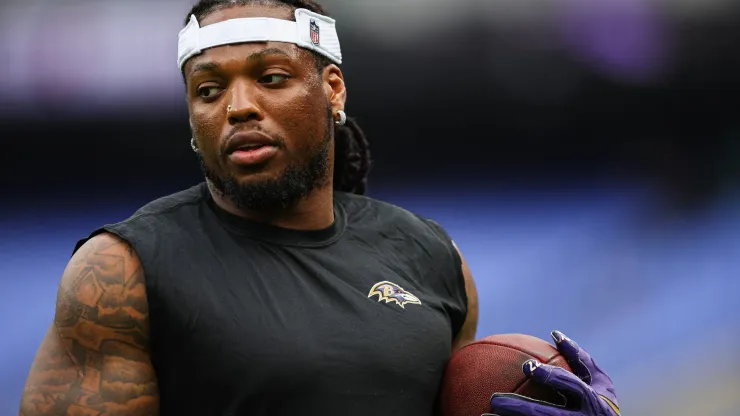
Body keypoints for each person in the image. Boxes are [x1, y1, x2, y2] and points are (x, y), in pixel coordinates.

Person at [18, 1, 620, 415]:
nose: (237, 107)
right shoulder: (122, 271)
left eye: (272, 78)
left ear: (331, 90)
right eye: (208, 89)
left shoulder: (431, 256)